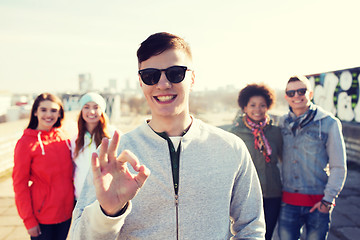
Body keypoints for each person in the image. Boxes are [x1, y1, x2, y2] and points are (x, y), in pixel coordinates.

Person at [70, 32, 265, 239]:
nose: (163, 84)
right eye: (150, 75)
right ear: (140, 81)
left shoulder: (230, 147)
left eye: (175, 73)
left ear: (192, 78)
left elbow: (251, 227)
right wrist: (108, 213)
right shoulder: (114, 156)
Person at [278, 75, 347, 240]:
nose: (297, 96)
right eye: (292, 92)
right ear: (286, 96)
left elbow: (338, 166)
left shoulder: (329, 123)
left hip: (318, 202)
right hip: (288, 202)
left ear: (310, 94)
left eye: (301, 91)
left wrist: (328, 201)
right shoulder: (282, 122)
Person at [12, 93, 74, 240]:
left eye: (53, 110)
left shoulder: (64, 137)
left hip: (66, 214)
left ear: (59, 113)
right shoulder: (25, 143)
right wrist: (28, 221)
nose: (49, 115)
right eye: (43, 110)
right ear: (35, 112)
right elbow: (20, 184)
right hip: (42, 217)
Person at [229, 83, 283, 240]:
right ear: (244, 107)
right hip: (246, 197)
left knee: (268, 235)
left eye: (262, 105)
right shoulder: (235, 134)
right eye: (252, 105)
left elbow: (282, 158)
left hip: (273, 194)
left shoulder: (276, 132)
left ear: (268, 107)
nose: (257, 109)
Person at [71, 92, 115, 201]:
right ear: (81, 110)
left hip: (104, 199)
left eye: (96, 107)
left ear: (102, 110)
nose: (91, 112)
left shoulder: (112, 134)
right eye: (86, 107)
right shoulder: (75, 138)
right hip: (80, 199)